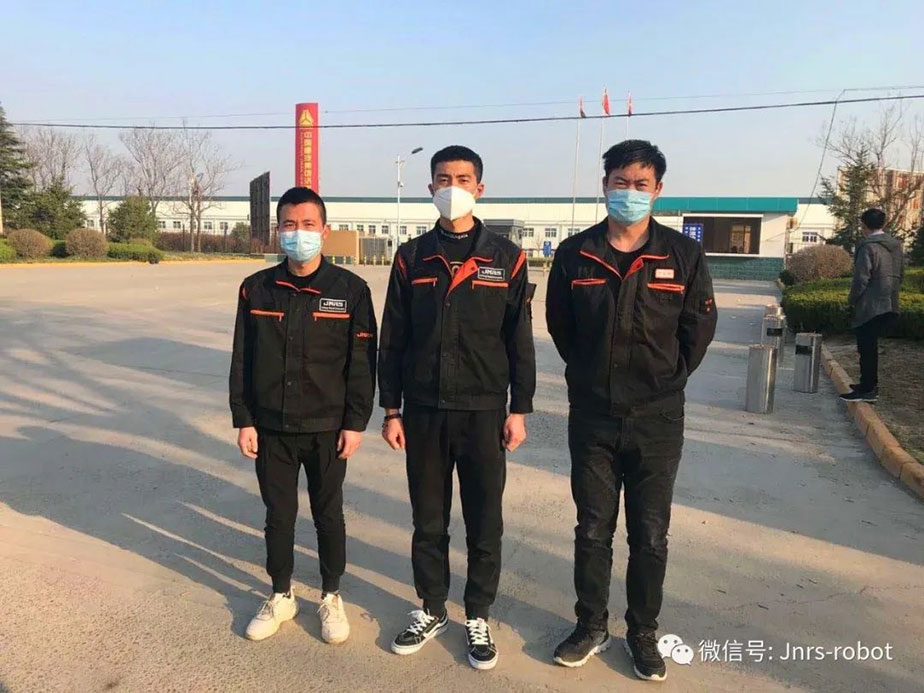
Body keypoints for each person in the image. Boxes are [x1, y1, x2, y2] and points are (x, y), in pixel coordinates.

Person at [546, 140, 717, 681]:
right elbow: (561, 327)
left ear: (658, 190)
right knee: (592, 528)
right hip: (593, 416)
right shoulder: (575, 254)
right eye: (620, 182)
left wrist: (664, 378)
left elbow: (697, 329)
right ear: (605, 186)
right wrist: (592, 373)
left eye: (641, 184)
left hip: (658, 419)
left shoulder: (682, 255)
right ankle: (590, 624)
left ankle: (642, 631)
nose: (630, 192)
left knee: (649, 534)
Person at [378, 145, 536, 671]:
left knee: (484, 521)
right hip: (423, 410)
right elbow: (393, 339)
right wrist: (391, 409)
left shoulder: (506, 258)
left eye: (463, 179)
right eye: (443, 179)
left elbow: (519, 340)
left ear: (480, 188)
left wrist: (519, 408)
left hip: (484, 411)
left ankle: (477, 613)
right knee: (428, 519)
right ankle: (431, 607)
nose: (453, 188)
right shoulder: (411, 258)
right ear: (430, 189)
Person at [229, 187, 377, 644]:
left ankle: (331, 596)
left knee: (328, 514)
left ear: (324, 231)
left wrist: (355, 423)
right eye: (290, 225)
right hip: (270, 426)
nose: (299, 233)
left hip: (327, 428)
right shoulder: (256, 288)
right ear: (279, 231)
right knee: (279, 515)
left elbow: (362, 364)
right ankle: (281, 594)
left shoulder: (351, 291)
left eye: (308, 224)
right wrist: (244, 418)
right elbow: (242, 358)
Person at [840, 208, 904, 403]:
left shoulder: (867, 247)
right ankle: (867, 385)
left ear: (864, 225)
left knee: (866, 349)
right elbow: (901, 274)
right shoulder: (896, 246)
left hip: (870, 306)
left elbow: (861, 279)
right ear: (883, 224)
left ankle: (868, 389)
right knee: (871, 347)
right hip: (890, 302)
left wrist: (852, 301)